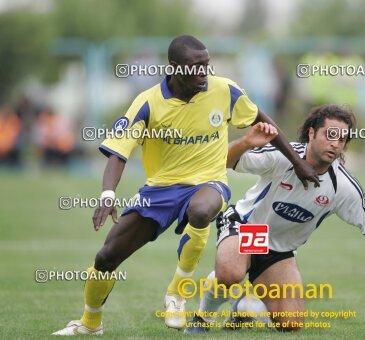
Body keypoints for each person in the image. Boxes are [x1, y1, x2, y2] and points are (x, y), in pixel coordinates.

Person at [52, 35, 319, 336]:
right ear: (175, 68)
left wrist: (297, 162)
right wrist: (108, 194)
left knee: (202, 211)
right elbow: (118, 153)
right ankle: (90, 323)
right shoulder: (147, 103)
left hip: (209, 182)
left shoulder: (224, 91)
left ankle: (178, 294)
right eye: (195, 67)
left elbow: (263, 119)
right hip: (159, 191)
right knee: (106, 258)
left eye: (206, 65)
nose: (203, 73)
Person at [185, 104, 365, 332]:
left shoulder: (344, 187)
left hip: (281, 250)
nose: (335, 144)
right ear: (311, 133)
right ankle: (204, 318)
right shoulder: (283, 155)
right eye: (330, 135)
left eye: (342, 140)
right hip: (249, 228)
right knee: (231, 273)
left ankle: (243, 307)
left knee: (291, 323)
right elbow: (225, 161)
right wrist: (246, 142)